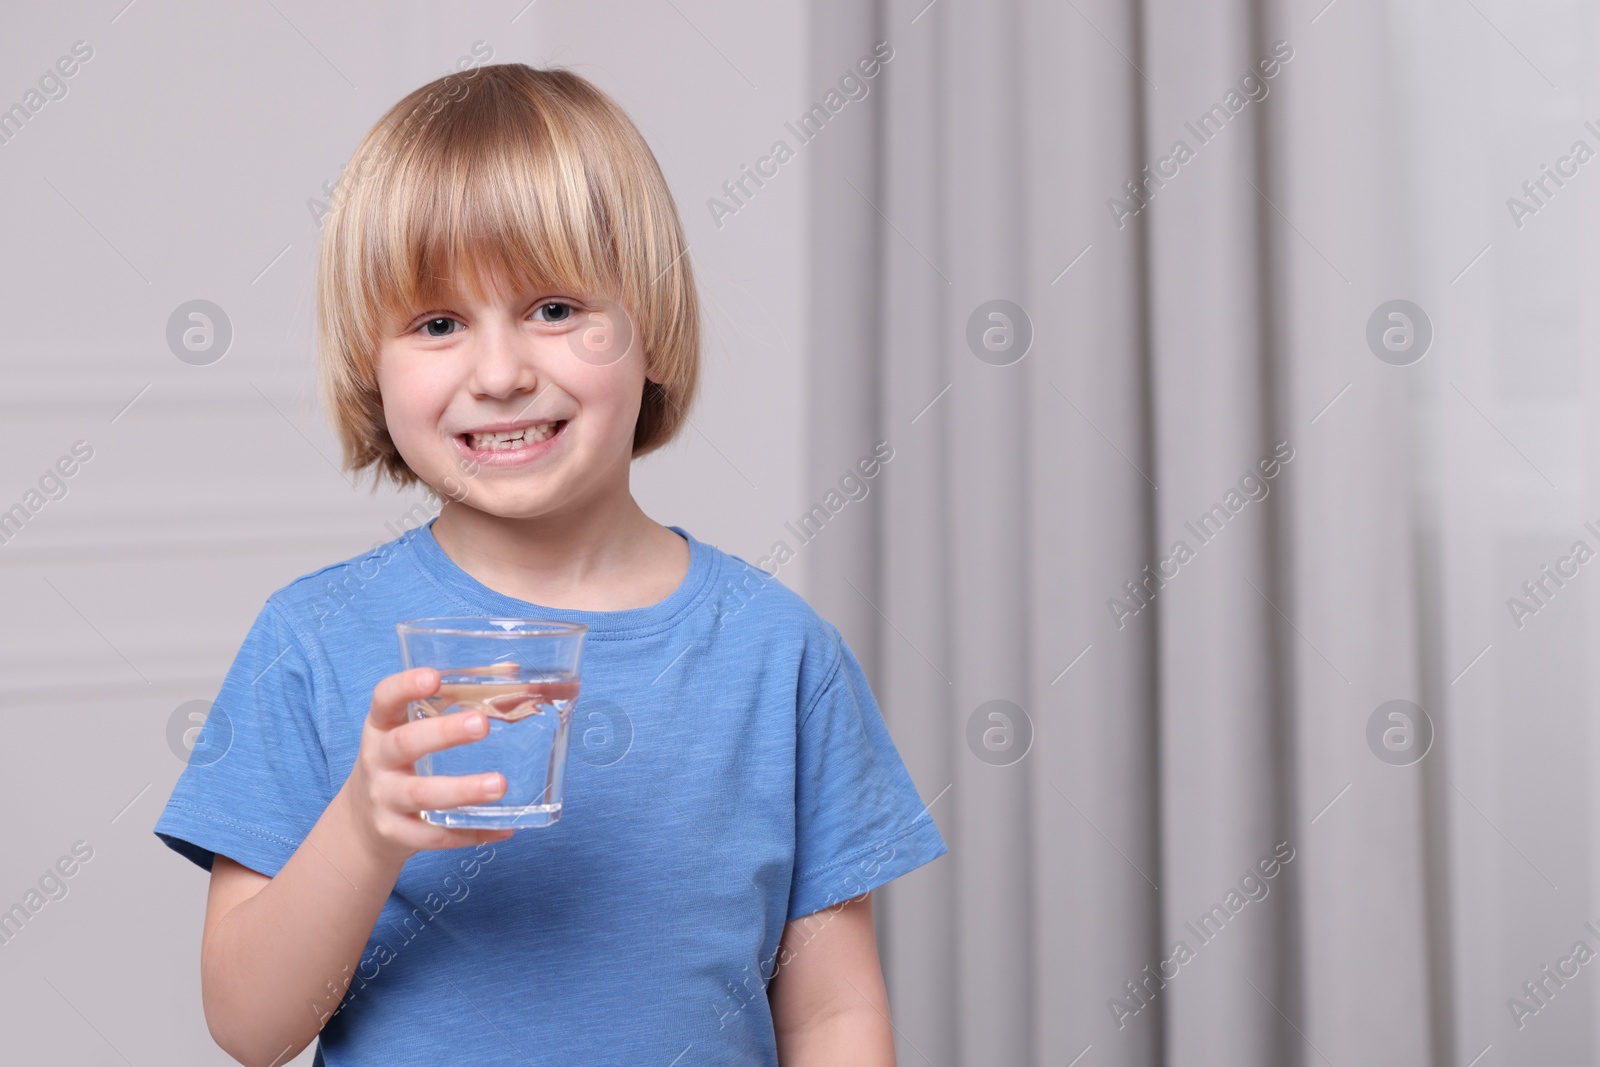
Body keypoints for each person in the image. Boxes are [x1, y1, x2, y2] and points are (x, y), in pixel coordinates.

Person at [152, 62, 946, 1066]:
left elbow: (831, 1013)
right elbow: (250, 1026)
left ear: (648, 326)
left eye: (555, 308)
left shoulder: (778, 654)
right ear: (372, 366)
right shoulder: (311, 639)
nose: (499, 373)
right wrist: (366, 826)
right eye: (438, 324)